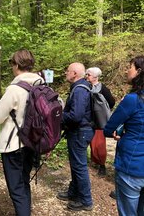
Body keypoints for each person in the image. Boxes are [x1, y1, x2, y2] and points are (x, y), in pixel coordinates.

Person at [0, 49, 44, 216]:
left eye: (12, 64)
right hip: (33, 142)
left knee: (16, 188)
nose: (12, 67)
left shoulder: (15, 89)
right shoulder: (41, 84)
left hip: (14, 145)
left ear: (17, 65)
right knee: (24, 181)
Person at [104, 56, 144, 216]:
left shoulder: (132, 100)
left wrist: (121, 133)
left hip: (131, 167)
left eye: (130, 67)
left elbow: (109, 129)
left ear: (139, 71)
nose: (127, 70)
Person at [57, 62, 94, 211]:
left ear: (74, 74)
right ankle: (74, 192)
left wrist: (59, 116)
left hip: (80, 132)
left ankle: (86, 200)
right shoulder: (82, 87)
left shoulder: (79, 90)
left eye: (67, 71)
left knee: (79, 166)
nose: (66, 73)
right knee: (76, 165)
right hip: (80, 132)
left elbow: (76, 115)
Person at [85, 67, 115, 176]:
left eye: (88, 75)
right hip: (88, 120)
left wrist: (103, 111)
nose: (86, 76)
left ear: (95, 77)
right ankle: (95, 161)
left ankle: (102, 166)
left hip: (99, 121)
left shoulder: (103, 88)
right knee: (92, 144)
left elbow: (111, 102)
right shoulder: (86, 87)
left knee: (99, 145)